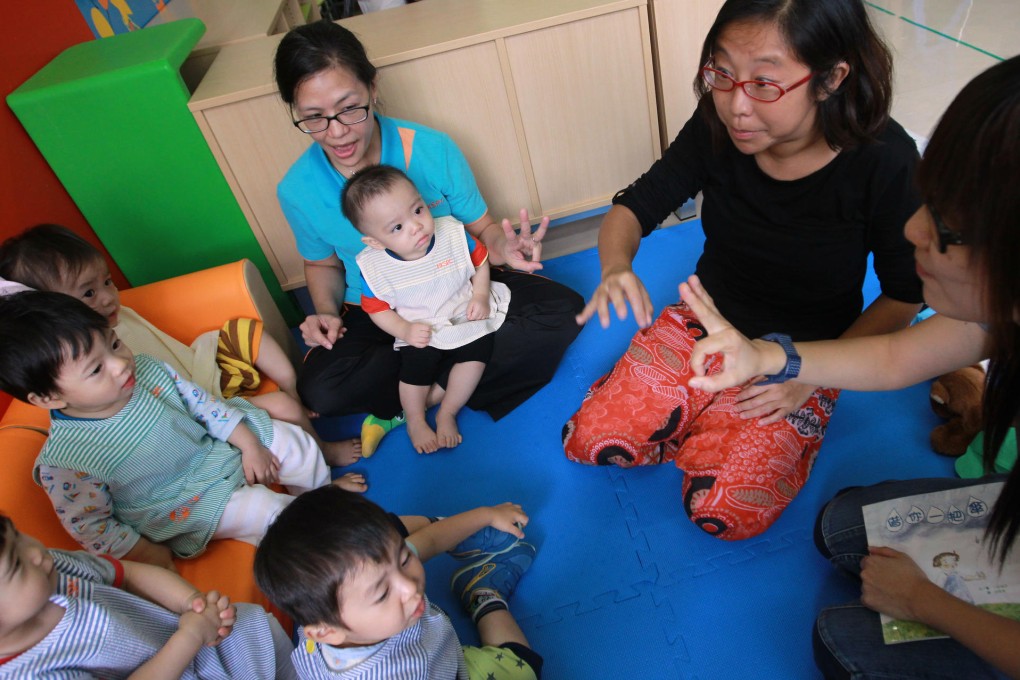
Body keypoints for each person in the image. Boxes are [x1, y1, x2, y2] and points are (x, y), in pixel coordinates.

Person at [678, 55, 1020, 679]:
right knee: (842, 528)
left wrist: (926, 602)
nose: (913, 227)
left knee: (841, 644)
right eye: (929, 200)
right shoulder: (994, 312)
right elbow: (894, 355)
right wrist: (771, 357)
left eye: (945, 225)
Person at [562, 0, 924, 541]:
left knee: (725, 515)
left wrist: (812, 375)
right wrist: (616, 266)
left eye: (764, 84)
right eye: (722, 73)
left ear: (830, 79)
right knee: (587, 441)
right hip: (706, 323)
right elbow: (637, 204)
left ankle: (726, 420)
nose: (736, 105)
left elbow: (905, 297)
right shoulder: (718, 120)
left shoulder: (885, 160)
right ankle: (704, 415)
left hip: (808, 354)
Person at [274, 20, 584, 456]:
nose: (337, 131)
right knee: (322, 391)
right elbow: (322, 263)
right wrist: (326, 313)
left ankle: (418, 398)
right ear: (295, 111)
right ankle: (459, 372)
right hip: (379, 309)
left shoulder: (432, 149)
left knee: (565, 311)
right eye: (314, 118)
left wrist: (505, 248)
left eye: (349, 108)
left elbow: (482, 231)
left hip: (458, 291)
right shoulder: (297, 189)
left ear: (373, 88)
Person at [0, 290, 379, 572]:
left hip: (214, 448)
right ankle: (329, 543)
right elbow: (93, 526)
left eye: (115, 345)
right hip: (185, 504)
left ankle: (321, 495)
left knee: (294, 443)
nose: (119, 364)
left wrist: (249, 444)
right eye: (96, 369)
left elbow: (204, 406)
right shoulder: (66, 461)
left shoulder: (145, 370)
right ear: (48, 397)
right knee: (267, 510)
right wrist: (146, 554)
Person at [0, 223, 362, 467]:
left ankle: (299, 393)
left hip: (199, 366)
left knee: (247, 333)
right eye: (89, 293)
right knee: (281, 406)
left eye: (107, 282)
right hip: (196, 403)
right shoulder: (87, 363)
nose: (110, 298)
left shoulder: (113, 318)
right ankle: (322, 448)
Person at [254, 486, 544, 679]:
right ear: (328, 632)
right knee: (524, 666)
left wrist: (486, 514)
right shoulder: (397, 673)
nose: (410, 587)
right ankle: (483, 594)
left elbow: (426, 541)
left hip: (437, 648)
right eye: (382, 594)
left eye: (404, 559)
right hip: (445, 669)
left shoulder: (349, 595)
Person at [0, 514, 297, 679]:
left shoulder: (53, 568)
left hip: (203, 645)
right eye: (16, 564)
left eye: (19, 535)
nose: (36, 553)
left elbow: (128, 574)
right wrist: (190, 636)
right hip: (183, 648)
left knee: (258, 627)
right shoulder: (31, 674)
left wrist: (191, 602)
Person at [343, 165, 511, 453]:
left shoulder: (452, 233)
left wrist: (481, 295)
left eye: (418, 210)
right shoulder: (375, 267)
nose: (416, 226)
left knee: (478, 351)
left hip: (461, 309)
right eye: (397, 227)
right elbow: (377, 309)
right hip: (419, 324)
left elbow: (479, 263)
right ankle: (415, 420)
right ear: (374, 241)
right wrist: (405, 329)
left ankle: (448, 411)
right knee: (414, 369)